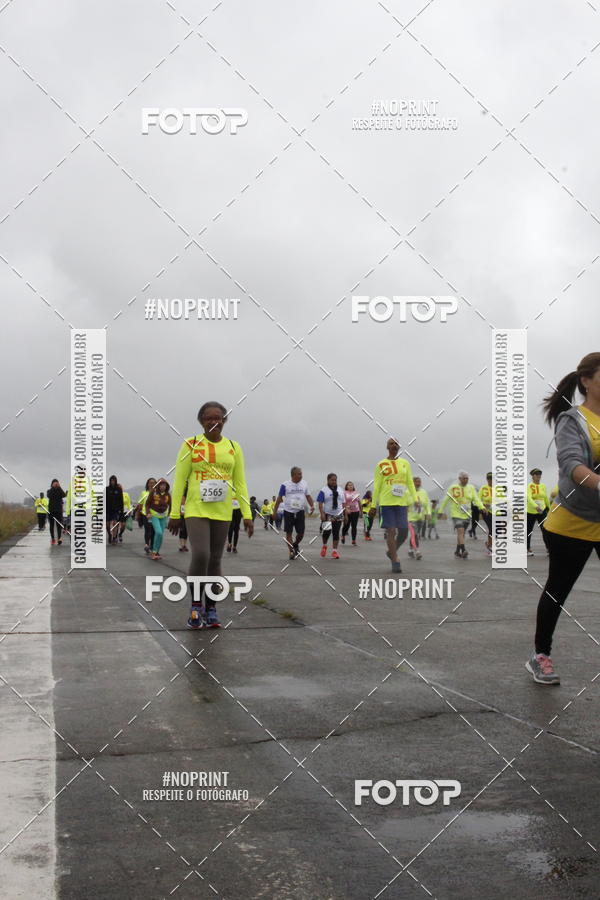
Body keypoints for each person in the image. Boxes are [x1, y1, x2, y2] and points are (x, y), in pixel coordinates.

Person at [526, 353, 600, 685]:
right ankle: (540, 655)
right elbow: (572, 464)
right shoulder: (572, 420)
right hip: (571, 521)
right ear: (586, 381)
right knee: (558, 591)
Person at [168, 401, 253, 629]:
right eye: (209, 418)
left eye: (218, 418)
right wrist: (175, 513)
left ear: (224, 420)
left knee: (215, 560)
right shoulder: (191, 444)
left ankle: (211, 608)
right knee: (201, 555)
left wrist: (247, 514)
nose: (214, 422)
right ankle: (196, 605)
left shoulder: (234, 447)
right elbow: (179, 481)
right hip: (196, 509)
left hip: (222, 511)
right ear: (201, 421)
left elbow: (240, 483)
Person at [370, 438, 417, 573]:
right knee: (391, 531)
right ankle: (395, 560)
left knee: (404, 532)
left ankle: (391, 551)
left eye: (396, 443)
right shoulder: (381, 465)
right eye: (391, 443)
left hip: (401, 503)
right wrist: (373, 505)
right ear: (387, 447)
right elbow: (377, 486)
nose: (394, 445)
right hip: (386, 503)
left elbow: (410, 482)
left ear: (399, 447)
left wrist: (415, 499)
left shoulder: (405, 463)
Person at [438, 471, 485, 559]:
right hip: (456, 514)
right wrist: (440, 511)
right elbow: (446, 500)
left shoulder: (471, 488)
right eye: (464, 478)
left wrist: (482, 507)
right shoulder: (453, 488)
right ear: (459, 478)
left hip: (467, 514)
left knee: (462, 534)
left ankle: (457, 551)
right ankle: (463, 550)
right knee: (460, 530)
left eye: (467, 478)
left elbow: (476, 499)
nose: (466, 480)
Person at [273, 467, 315, 559]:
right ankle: (291, 551)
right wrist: (274, 512)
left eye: (301, 474)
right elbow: (279, 498)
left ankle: (295, 544)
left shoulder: (304, 483)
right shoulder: (285, 485)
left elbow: (308, 496)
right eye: (299, 474)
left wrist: (312, 506)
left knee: (301, 534)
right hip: (288, 512)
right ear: (293, 475)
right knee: (289, 533)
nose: (301, 476)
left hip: (300, 512)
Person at [317, 473, 347, 558]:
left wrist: (345, 514)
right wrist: (322, 514)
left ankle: (334, 551)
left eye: (335, 480)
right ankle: (324, 546)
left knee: (336, 533)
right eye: (332, 480)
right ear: (328, 480)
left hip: (338, 514)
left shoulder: (340, 490)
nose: (334, 481)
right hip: (328, 514)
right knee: (327, 532)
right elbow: (320, 503)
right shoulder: (324, 490)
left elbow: (344, 503)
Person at [144, 479, 171, 560]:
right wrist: (148, 513)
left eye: (164, 485)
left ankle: (156, 552)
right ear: (158, 485)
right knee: (158, 532)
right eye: (161, 485)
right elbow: (147, 504)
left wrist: (169, 516)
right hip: (154, 515)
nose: (163, 486)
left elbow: (170, 506)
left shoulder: (168, 495)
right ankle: (154, 552)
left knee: (161, 535)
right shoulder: (153, 492)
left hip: (163, 516)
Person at [527, 467, 550, 556]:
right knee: (529, 530)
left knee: (545, 530)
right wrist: (535, 506)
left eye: (540, 474)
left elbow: (545, 498)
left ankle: (549, 548)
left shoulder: (543, 486)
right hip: (531, 511)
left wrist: (550, 508)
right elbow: (529, 498)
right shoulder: (529, 486)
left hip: (542, 511)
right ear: (532, 476)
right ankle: (527, 549)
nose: (538, 476)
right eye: (536, 474)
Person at [407, 476, 430, 560]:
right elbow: (404, 504)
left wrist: (428, 513)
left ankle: (410, 549)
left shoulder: (424, 492)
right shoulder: (407, 492)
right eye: (416, 481)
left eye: (419, 482)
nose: (418, 483)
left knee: (416, 535)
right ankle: (417, 551)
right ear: (412, 483)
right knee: (414, 534)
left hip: (421, 518)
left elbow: (427, 504)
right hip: (411, 518)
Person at [136, 478, 156, 554]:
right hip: (146, 514)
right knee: (147, 530)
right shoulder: (144, 493)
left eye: (153, 483)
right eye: (150, 483)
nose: (152, 484)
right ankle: (147, 545)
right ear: (147, 484)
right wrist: (138, 514)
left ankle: (152, 546)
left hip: (155, 514)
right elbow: (140, 504)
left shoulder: (157, 493)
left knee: (153, 531)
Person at [47, 479, 66, 545]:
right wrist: (53, 487)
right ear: (52, 484)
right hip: (51, 511)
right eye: (54, 483)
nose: (56, 484)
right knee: (51, 525)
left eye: (57, 483)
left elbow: (64, 495)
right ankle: (53, 539)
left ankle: (59, 538)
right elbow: (49, 496)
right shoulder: (49, 490)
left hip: (58, 511)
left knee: (59, 525)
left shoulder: (59, 490)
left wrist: (59, 487)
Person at [341, 481, 360, 546]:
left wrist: (361, 511)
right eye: (349, 485)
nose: (350, 486)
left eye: (351, 485)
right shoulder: (344, 493)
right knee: (346, 525)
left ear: (353, 486)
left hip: (356, 511)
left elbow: (359, 502)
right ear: (346, 486)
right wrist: (345, 510)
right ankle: (343, 535)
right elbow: (343, 503)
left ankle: (353, 540)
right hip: (347, 512)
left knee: (354, 526)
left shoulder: (356, 493)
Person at [106, 476, 124, 545]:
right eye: (111, 480)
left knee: (115, 523)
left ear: (116, 481)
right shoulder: (107, 489)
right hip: (108, 509)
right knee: (107, 525)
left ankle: (114, 538)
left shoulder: (119, 489)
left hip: (116, 510)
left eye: (114, 480)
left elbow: (121, 501)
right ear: (110, 481)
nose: (112, 482)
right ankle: (109, 534)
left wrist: (121, 511)